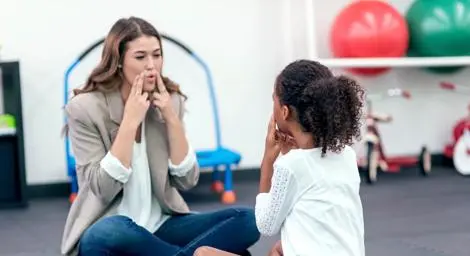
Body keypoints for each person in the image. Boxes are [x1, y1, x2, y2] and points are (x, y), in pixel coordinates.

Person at [60, 16, 260, 256]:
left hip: (161, 225)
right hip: (112, 227)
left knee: (248, 220)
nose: (151, 65)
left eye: (157, 55)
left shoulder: (170, 101)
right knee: (107, 231)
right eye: (140, 57)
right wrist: (130, 121)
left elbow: (187, 181)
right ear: (119, 61)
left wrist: (171, 118)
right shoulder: (85, 108)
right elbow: (103, 188)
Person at [195, 60, 366, 256]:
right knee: (279, 249)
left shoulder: (291, 165)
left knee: (203, 253)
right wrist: (289, 155)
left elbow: (266, 225)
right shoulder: (346, 155)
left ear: (284, 112)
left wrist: (268, 160)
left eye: (273, 100)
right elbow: (313, 200)